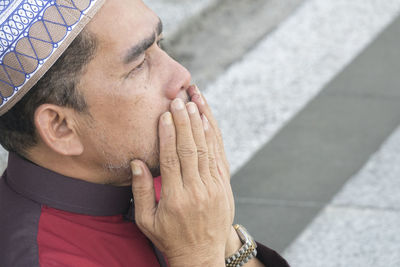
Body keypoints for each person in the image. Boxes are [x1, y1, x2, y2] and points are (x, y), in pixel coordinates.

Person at [0, 0, 290, 266]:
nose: (181, 74)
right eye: (139, 66)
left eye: (160, 44)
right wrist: (199, 256)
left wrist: (220, 234)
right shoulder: (42, 258)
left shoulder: (162, 175)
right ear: (61, 128)